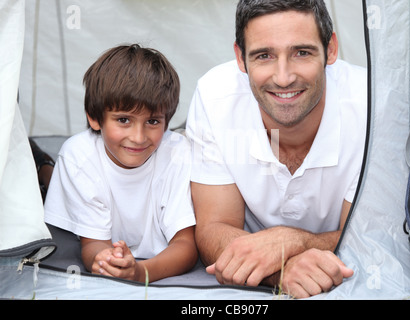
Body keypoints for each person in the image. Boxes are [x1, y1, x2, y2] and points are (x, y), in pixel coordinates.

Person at [185, 0, 366, 298]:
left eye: (302, 52)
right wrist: (283, 270)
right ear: (240, 58)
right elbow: (213, 228)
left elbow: (368, 238)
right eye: (264, 56)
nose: (283, 78)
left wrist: (290, 241)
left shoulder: (371, 106)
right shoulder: (214, 95)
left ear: (331, 49)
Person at [44, 44, 198, 283]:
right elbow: (93, 244)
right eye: (124, 120)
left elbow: (186, 245)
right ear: (94, 118)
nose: (138, 137)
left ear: (167, 123)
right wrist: (108, 260)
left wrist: (140, 273)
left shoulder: (177, 154)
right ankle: (43, 168)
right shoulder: (79, 156)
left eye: (153, 121)